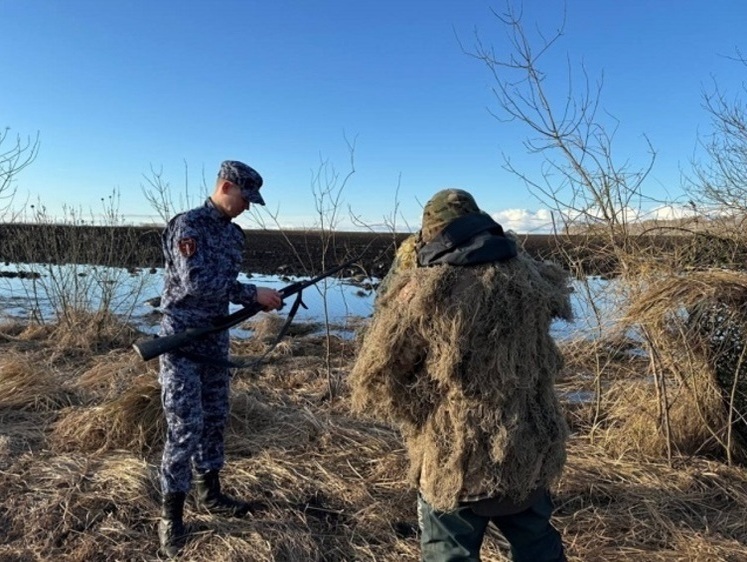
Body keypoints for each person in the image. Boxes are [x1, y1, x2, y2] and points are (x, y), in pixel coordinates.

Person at [350, 188, 572, 562]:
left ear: (432, 232)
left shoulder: (426, 290)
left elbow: (386, 372)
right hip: (528, 446)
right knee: (538, 545)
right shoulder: (529, 276)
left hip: (457, 457)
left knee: (448, 552)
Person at [157, 160, 282, 558]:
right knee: (185, 425)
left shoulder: (235, 236)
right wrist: (252, 294)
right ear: (226, 187)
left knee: (215, 417)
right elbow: (197, 282)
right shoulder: (188, 226)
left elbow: (224, 289)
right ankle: (170, 518)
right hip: (182, 341)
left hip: (215, 339)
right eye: (245, 198)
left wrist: (254, 302)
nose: (248, 206)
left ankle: (210, 494)